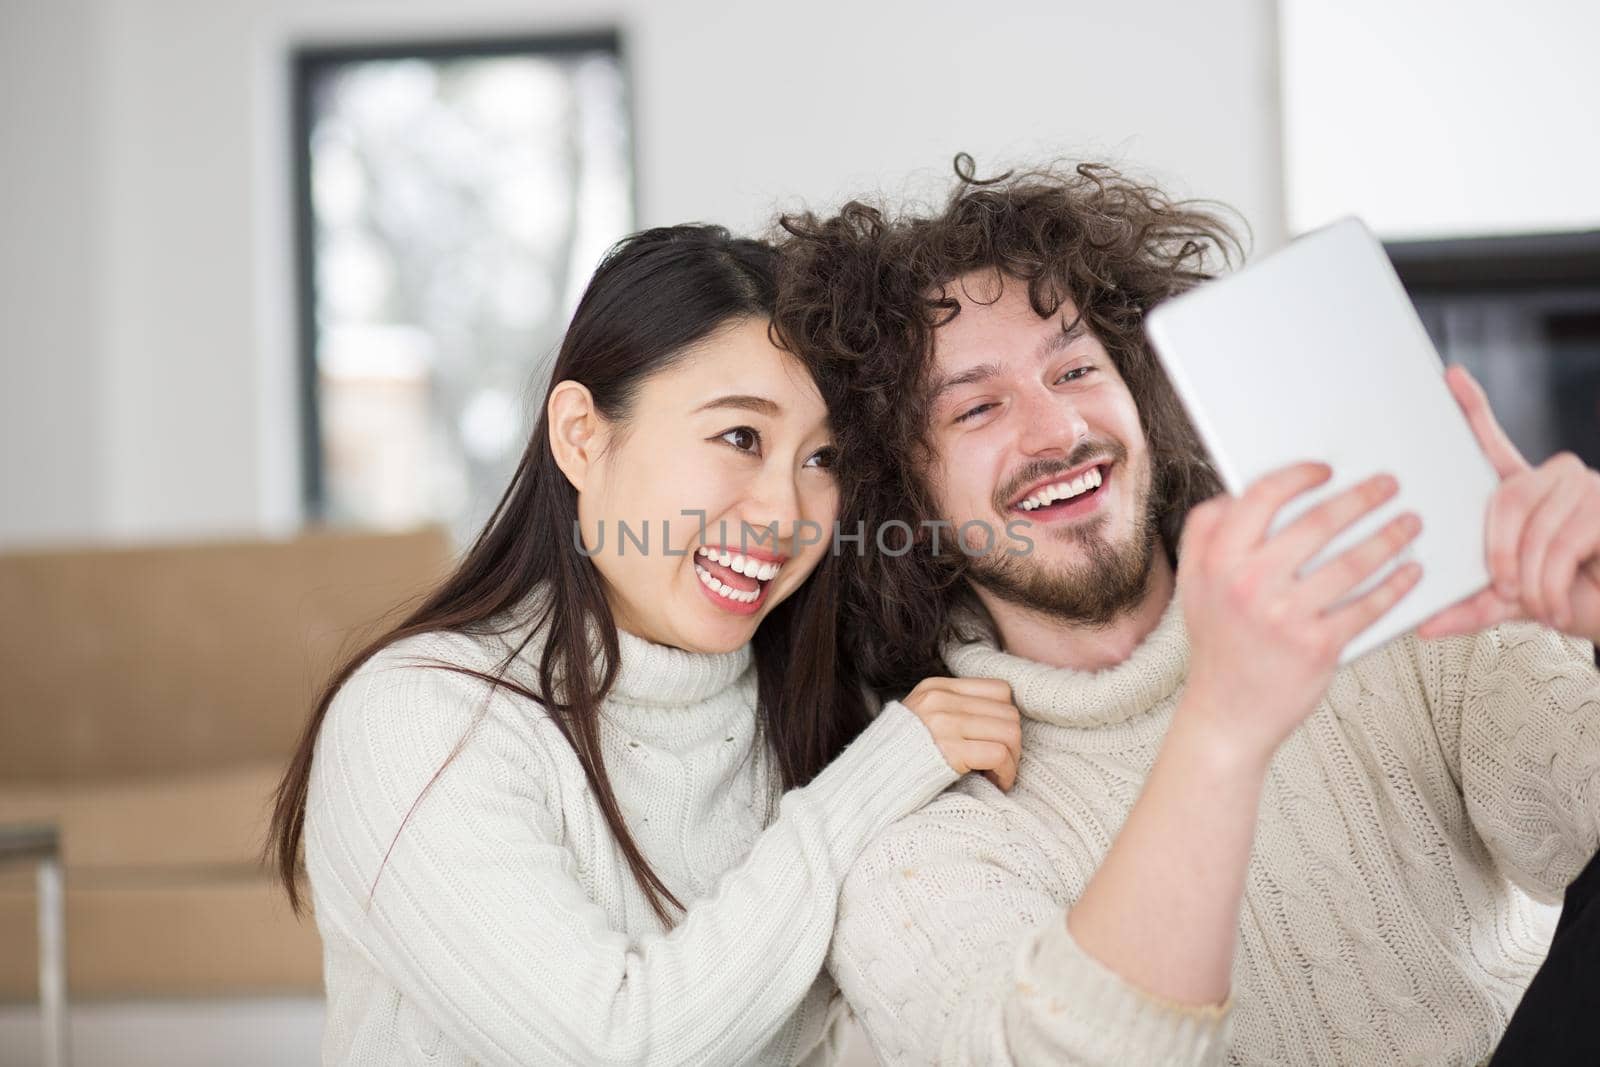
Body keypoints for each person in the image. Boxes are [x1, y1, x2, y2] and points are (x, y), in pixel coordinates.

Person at [774, 160, 1600, 1064]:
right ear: (905, 497)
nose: (1058, 432)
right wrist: (1223, 724)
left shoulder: (1397, 608)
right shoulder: (919, 839)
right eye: (978, 408)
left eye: (1077, 368)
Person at [263, 224, 1023, 1065]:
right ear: (582, 434)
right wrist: (879, 775)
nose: (784, 512)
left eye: (823, 458)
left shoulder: (831, 717)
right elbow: (616, 1045)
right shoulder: (420, 719)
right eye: (741, 436)